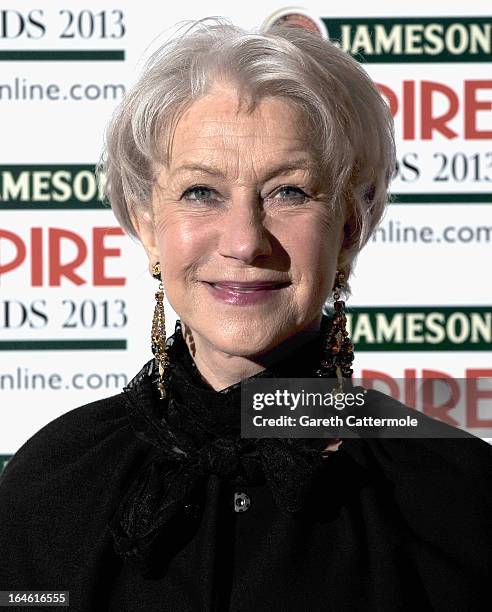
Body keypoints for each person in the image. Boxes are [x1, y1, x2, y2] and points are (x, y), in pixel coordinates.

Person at [0, 17, 491, 612]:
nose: (244, 241)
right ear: (148, 223)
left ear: (349, 225)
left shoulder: (461, 499)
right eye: (201, 192)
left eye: (289, 192)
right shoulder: (49, 486)